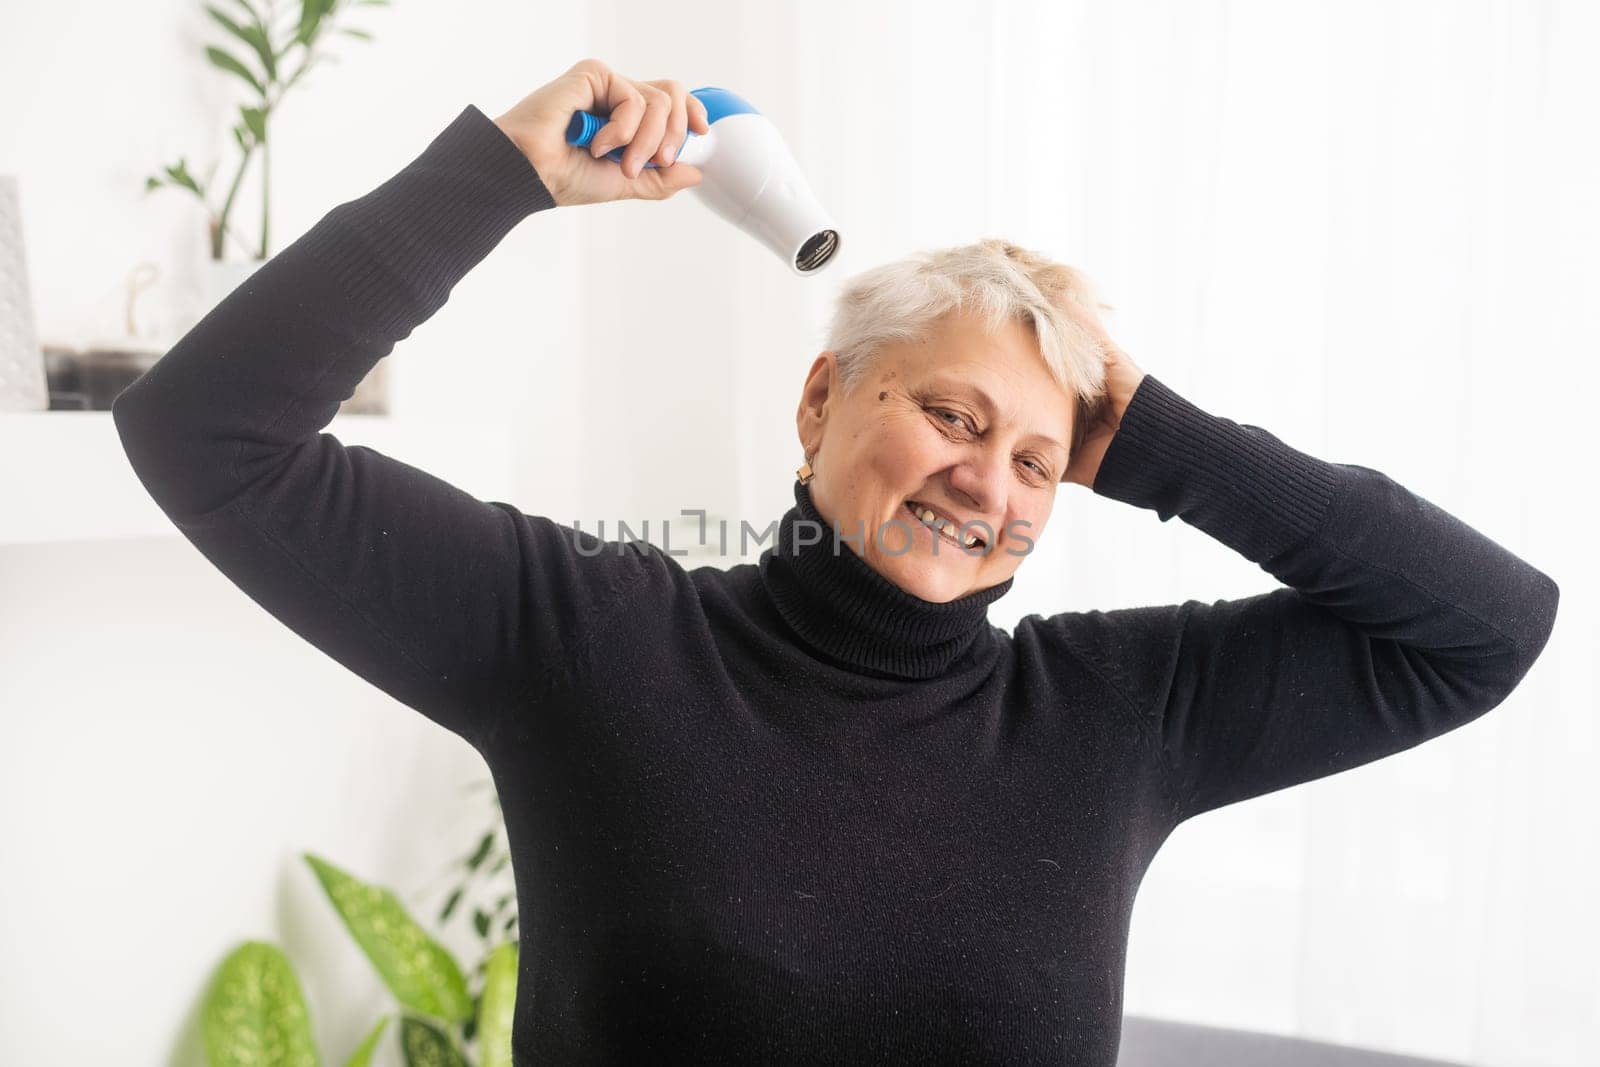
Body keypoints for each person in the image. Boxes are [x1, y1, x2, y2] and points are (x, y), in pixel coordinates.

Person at [113, 57, 1559, 1067]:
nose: (986, 483)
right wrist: (496, 175)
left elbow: (1488, 626)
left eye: (1040, 459)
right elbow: (206, 432)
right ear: (819, 405)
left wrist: (1163, 440)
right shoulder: (587, 640)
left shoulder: (1122, 711)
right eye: (950, 414)